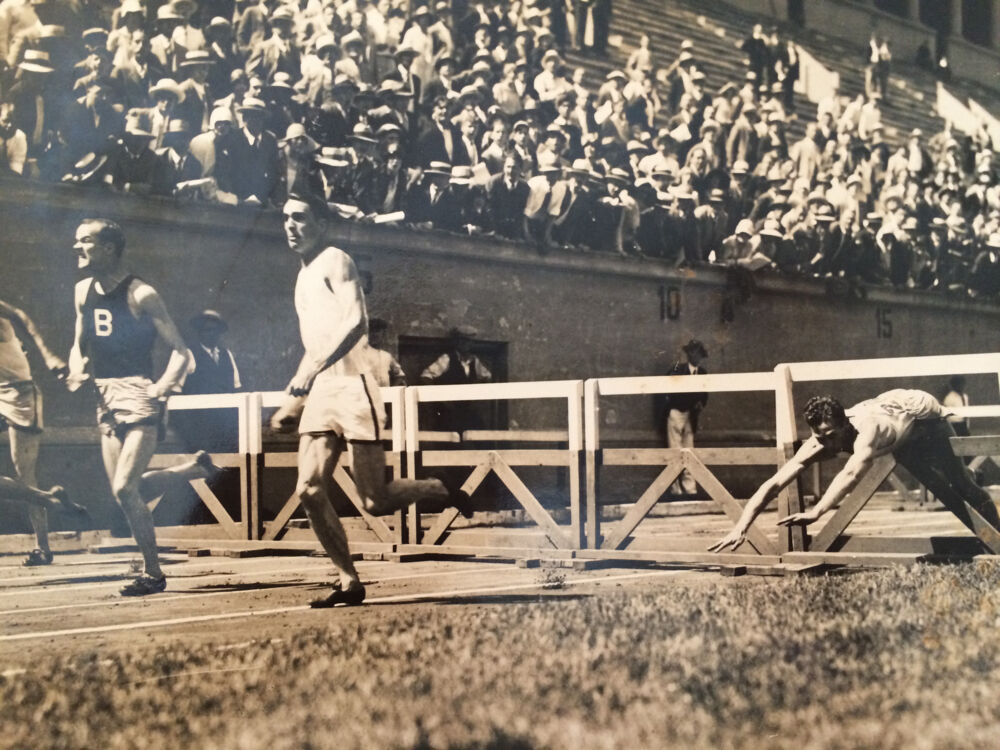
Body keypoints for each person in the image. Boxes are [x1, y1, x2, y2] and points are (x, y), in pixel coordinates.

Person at [268, 195, 458, 608]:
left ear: (321, 222)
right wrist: (294, 396)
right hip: (322, 390)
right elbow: (316, 345)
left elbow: (357, 324)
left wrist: (310, 370)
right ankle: (348, 580)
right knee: (309, 489)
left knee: (374, 501)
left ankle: (438, 486)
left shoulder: (337, 260)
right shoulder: (301, 276)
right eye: (285, 218)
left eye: (300, 217)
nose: (290, 225)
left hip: (355, 387)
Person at [67, 218, 216, 595]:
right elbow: (79, 343)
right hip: (104, 398)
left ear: (109, 249)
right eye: (77, 241)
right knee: (127, 492)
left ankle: (154, 573)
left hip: (138, 395)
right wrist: (76, 368)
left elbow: (182, 352)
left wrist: (163, 387)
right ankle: (191, 470)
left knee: (124, 489)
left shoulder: (141, 293)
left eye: (86, 241)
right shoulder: (83, 290)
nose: (78, 248)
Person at [709, 390, 1000, 553]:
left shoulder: (867, 430)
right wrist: (741, 526)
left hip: (923, 415)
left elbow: (850, 474)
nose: (825, 444)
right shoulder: (820, 440)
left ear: (845, 425)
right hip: (895, 420)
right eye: (819, 436)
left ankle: (997, 537)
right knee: (926, 468)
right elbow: (774, 483)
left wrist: (818, 511)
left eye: (830, 435)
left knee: (961, 483)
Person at [0, 299, 88, 566]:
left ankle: (43, 547)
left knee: (24, 473)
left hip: (19, 393)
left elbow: (21, 317)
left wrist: (48, 355)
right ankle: (50, 499)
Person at [662, 339, 708, 496]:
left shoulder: (702, 373)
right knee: (675, 450)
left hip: (691, 416)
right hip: (676, 412)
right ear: (688, 354)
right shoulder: (679, 368)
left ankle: (689, 488)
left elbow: (705, 394)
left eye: (698, 353)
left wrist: (700, 404)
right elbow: (668, 376)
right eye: (692, 352)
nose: (695, 356)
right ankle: (675, 489)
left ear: (701, 356)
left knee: (689, 450)